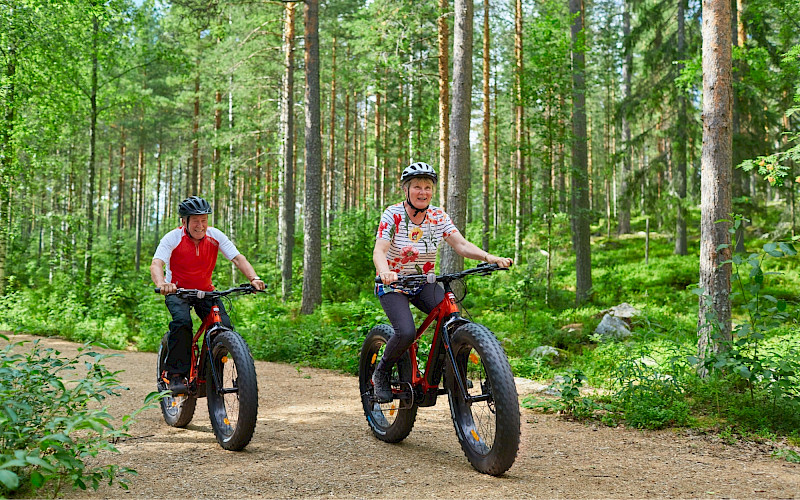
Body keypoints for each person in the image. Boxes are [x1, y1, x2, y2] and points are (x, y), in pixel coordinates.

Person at [371, 162, 512, 403]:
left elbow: (462, 245)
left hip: (424, 281)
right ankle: (380, 373)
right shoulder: (392, 214)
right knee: (406, 332)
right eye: (417, 187)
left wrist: (489, 257)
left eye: (427, 187)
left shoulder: (437, 216)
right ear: (406, 189)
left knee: (453, 320)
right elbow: (379, 251)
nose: (423, 192)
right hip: (394, 284)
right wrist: (385, 272)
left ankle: (451, 373)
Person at [150, 195, 265, 393]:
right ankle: (176, 375)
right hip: (178, 291)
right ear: (184, 221)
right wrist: (162, 284)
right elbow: (157, 263)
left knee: (224, 327)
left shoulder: (215, 236)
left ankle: (211, 375)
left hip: (206, 291)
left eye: (204, 220)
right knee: (182, 323)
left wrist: (253, 278)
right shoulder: (173, 238)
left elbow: (238, 259)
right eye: (195, 220)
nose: (200, 225)